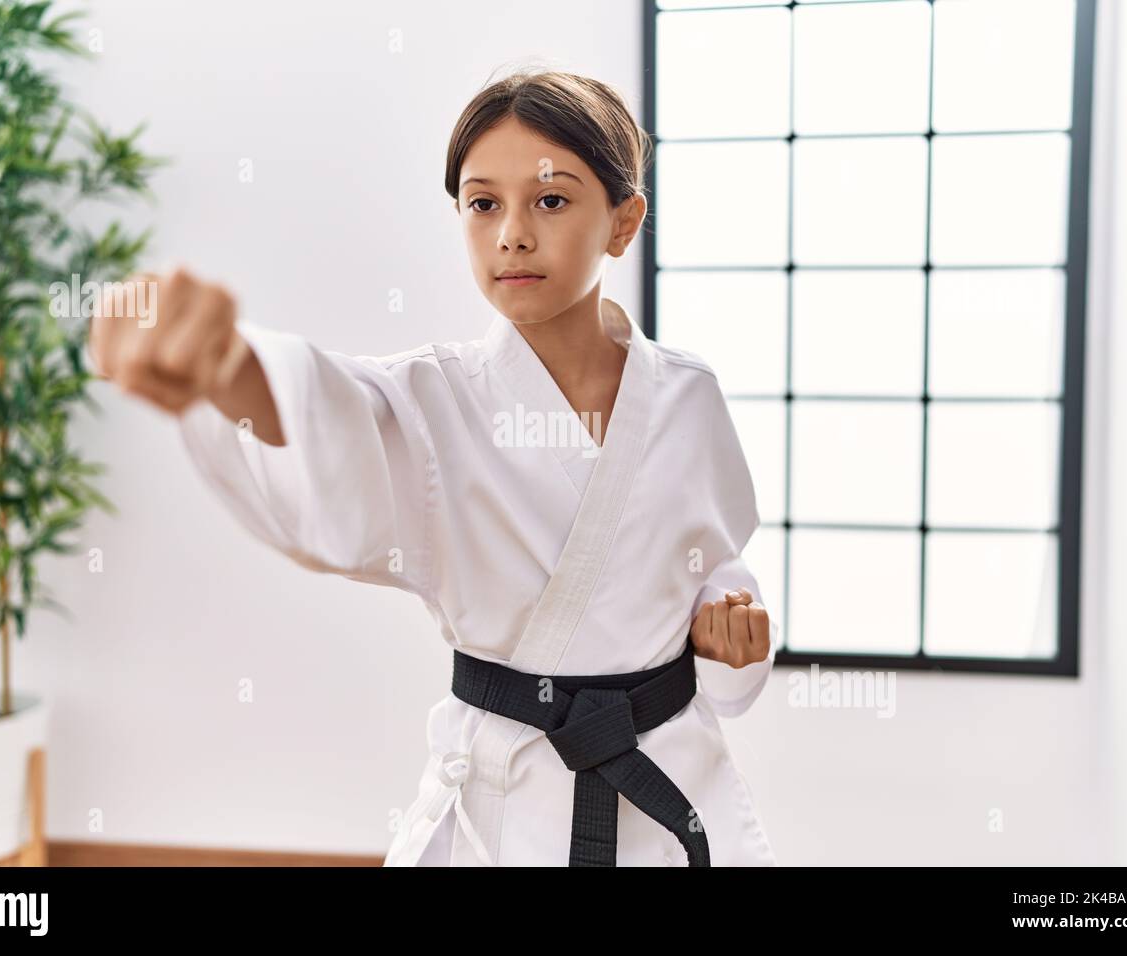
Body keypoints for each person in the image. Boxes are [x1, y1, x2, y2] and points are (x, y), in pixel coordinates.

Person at [89, 69, 781, 866]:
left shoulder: (686, 396)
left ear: (624, 222)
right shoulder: (434, 397)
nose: (511, 234)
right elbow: (338, 421)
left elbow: (714, 561)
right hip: (508, 800)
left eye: (550, 201)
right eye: (483, 204)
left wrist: (733, 636)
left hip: (664, 773)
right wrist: (227, 365)